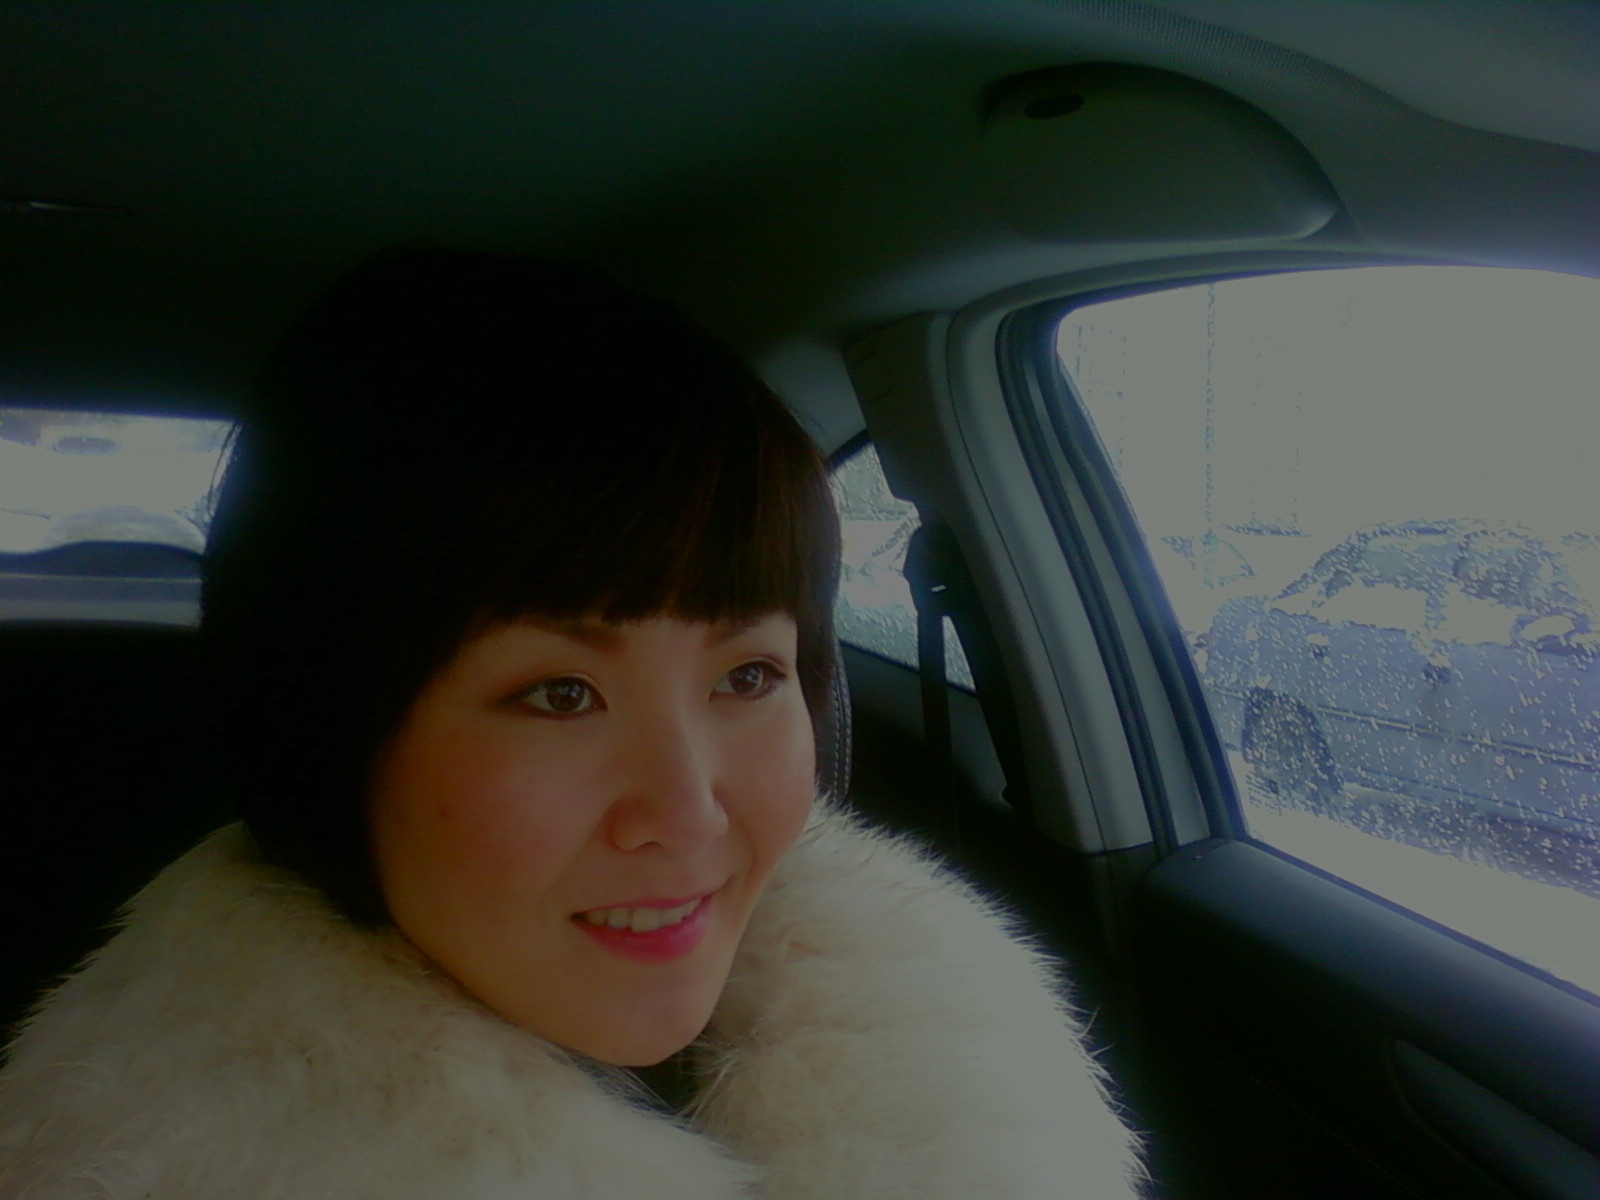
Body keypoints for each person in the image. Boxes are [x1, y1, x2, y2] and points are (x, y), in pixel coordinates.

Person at [0, 249, 1144, 1198]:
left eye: (748, 675)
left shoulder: (971, 1077)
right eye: (560, 694)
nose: (687, 813)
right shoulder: (128, 1160)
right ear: (331, 727)